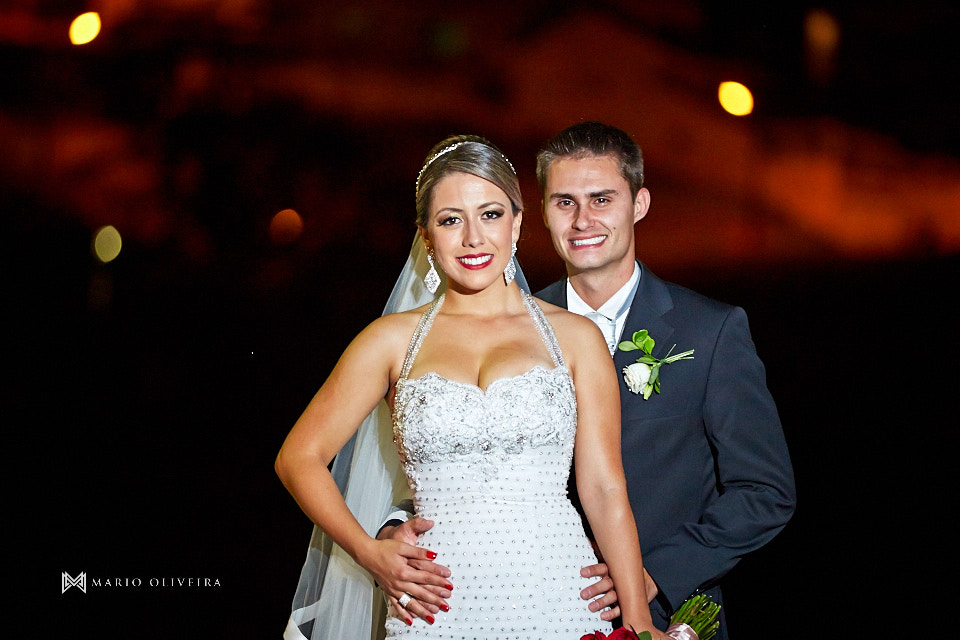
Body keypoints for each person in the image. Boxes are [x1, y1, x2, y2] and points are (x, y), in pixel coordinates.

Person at [276, 134, 669, 640]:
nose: (472, 239)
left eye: (490, 214)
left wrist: (637, 625)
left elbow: (604, 486)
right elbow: (298, 458)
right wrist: (371, 553)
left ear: (518, 223)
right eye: (449, 220)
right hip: (435, 607)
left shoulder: (574, 337)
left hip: (559, 597)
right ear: (425, 235)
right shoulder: (390, 341)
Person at [532, 121, 797, 638]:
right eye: (564, 202)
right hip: (529, 605)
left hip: (664, 616)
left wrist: (652, 576)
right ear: (542, 211)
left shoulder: (712, 330)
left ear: (640, 203)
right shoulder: (515, 328)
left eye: (601, 198)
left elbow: (765, 491)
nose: (583, 220)